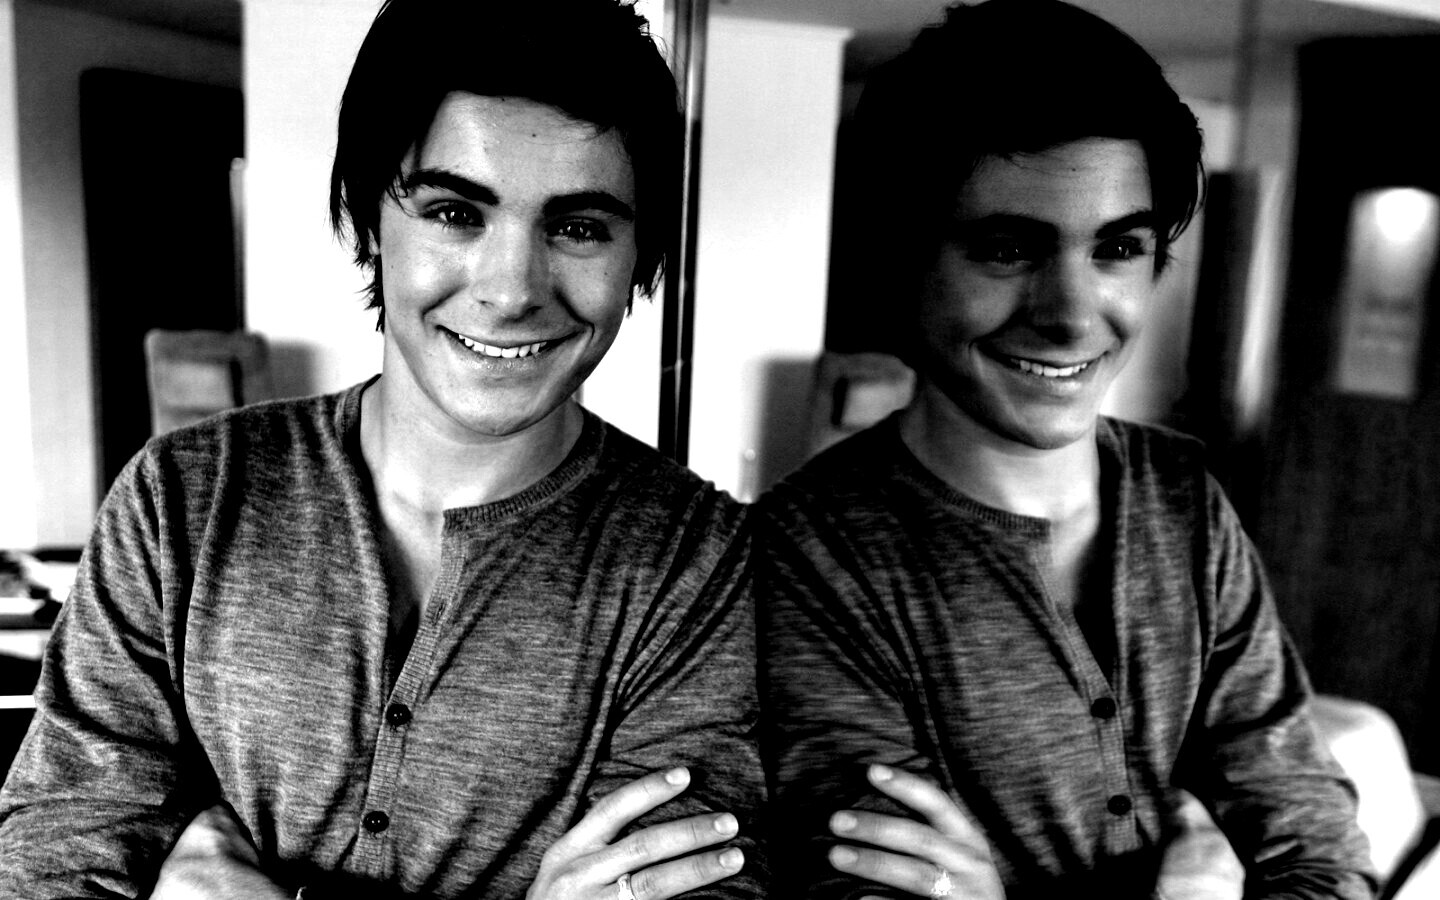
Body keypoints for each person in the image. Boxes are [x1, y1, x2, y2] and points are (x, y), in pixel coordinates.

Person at [0, 1, 765, 898]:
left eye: (579, 227)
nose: (511, 290)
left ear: (638, 256)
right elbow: (54, 862)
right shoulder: (183, 498)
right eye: (454, 211)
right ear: (370, 223)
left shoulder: (696, 558)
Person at [758, 1, 1374, 898]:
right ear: (900, 258)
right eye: (1009, 248)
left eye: (1118, 247)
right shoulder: (810, 553)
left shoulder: (1181, 496)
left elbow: (1313, 836)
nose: (1074, 316)